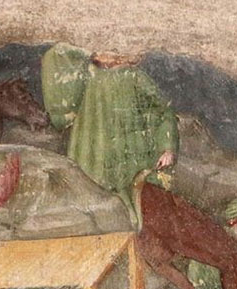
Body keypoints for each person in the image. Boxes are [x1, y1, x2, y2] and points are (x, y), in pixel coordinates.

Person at [41, 43, 178, 222]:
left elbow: (163, 111)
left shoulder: (133, 77)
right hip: (96, 153)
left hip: (126, 155)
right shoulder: (89, 75)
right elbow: (57, 59)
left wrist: (167, 147)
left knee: (127, 204)